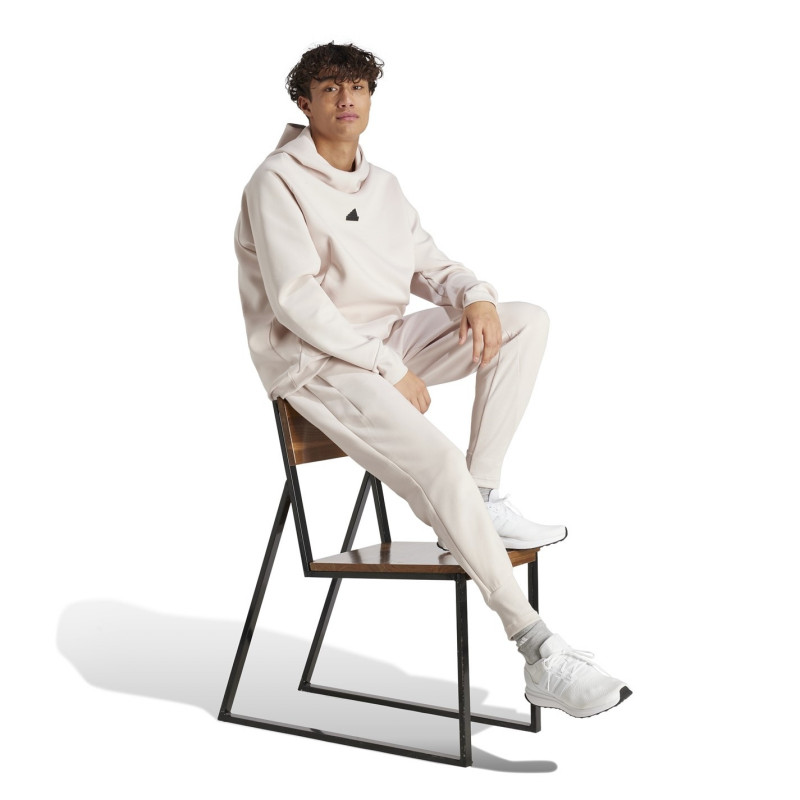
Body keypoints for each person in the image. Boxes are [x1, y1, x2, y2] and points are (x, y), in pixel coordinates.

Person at [235, 42, 631, 718]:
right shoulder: (276, 181)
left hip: (383, 342)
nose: (347, 100)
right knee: (440, 461)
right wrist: (389, 367)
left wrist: (475, 295)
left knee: (524, 321)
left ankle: (482, 495)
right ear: (305, 102)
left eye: (358, 87)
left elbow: (430, 263)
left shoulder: (382, 185)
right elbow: (296, 302)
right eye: (329, 89)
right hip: (317, 364)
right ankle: (538, 648)